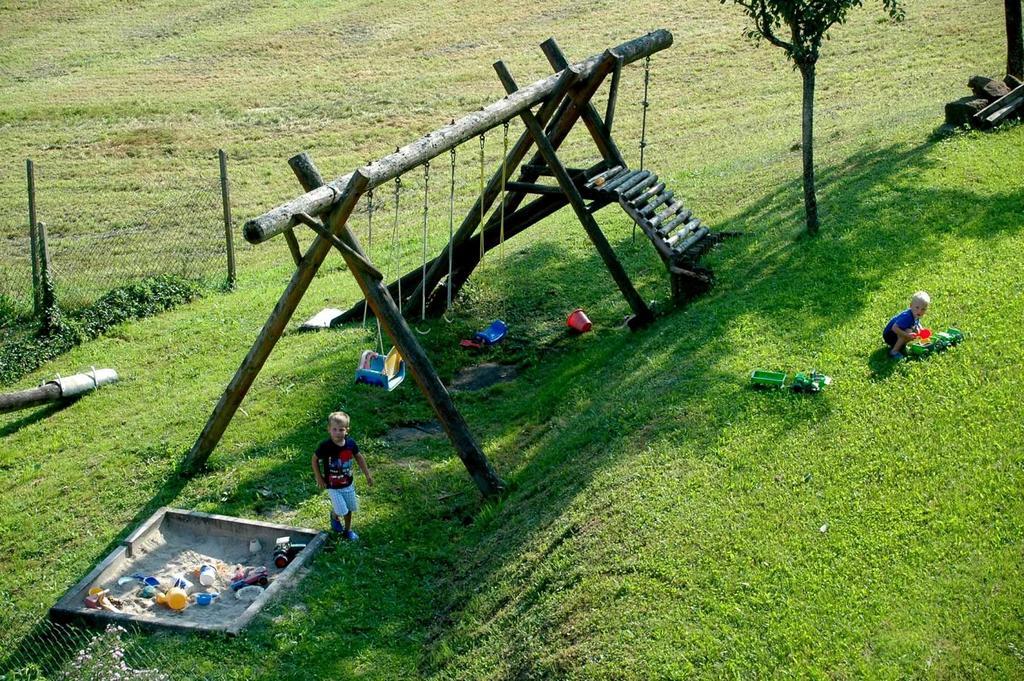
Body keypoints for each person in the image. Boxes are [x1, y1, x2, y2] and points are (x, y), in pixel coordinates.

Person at [312, 411, 373, 540]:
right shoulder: (325, 446)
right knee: (341, 510)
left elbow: (359, 457)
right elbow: (314, 459)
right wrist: (319, 477)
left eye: (341, 430)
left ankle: (348, 530)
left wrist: (367, 474)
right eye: (334, 429)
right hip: (332, 485)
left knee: (350, 508)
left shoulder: (350, 444)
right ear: (329, 429)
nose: (337, 433)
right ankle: (334, 515)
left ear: (347, 430)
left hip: (347, 483)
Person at [883, 291, 930, 359]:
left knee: (914, 330)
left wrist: (922, 331)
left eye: (923, 309)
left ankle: (901, 345)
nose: (919, 311)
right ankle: (894, 351)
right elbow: (894, 328)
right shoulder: (907, 317)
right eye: (917, 307)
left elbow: (917, 324)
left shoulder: (915, 314)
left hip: (895, 332)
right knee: (908, 332)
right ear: (911, 306)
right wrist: (907, 335)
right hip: (889, 335)